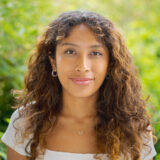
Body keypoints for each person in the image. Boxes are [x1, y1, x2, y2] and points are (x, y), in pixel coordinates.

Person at [1, 10, 157, 160]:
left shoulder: (134, 127)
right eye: (70, 51)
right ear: (53, 61)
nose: (82, 66)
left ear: (110, 64)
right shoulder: (25, 122)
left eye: (95, 53)